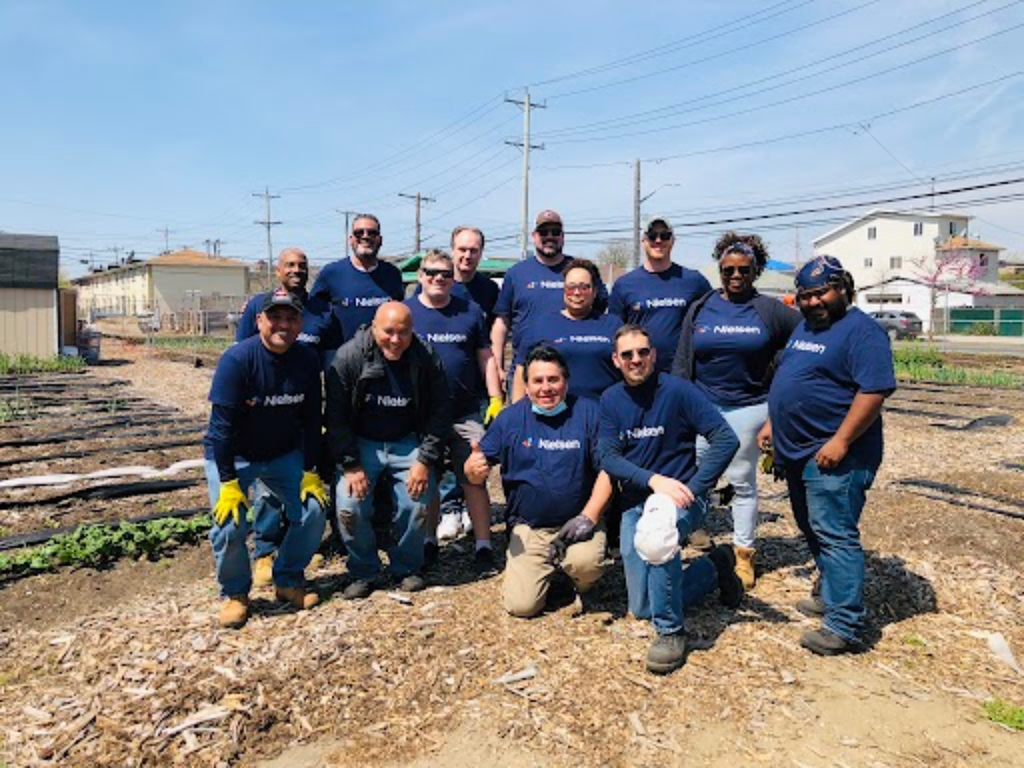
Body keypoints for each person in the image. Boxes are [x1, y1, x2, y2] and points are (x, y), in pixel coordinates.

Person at [757, 255, 896, 656]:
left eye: (822, 293)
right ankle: (830, 593)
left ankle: (844, 624)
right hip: (797, 452)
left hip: (837, 456)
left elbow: (873, 391)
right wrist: (772, 422)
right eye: (806, 295)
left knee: (835, 533)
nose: (814, 301)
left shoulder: (862, 332)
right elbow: (791, 378)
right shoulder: (805, 328)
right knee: (812, 526)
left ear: (843, 289)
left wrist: (841, 440)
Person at [599, 324, 743, 675]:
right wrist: (653, 480)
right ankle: (715, 566)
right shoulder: (611, 399)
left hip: (683, 500)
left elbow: (725, 439)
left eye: (643, 352)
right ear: (616, 360)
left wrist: (693, 488)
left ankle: (671, 632)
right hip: (636, 502)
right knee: (641, 606)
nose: (637, 360)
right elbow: (607, 457)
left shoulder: (679, 391)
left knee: (659, 536)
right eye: (628, 355)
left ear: (654, 354)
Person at [672, 233, 801, 588]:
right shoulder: (701, 307)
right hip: (702, 407)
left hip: (749, 408)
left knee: (741, 482)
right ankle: (679, 542)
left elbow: (801, 349)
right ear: (720, 269)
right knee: (694, 480)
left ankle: (744, 555)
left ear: (756, 270)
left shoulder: (771, 311)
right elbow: (684, 360)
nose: (735, 275)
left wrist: (778, 413)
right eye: (728, 269)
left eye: (744, 269)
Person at [203, 288, 328, 629]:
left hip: (283, 454)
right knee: (230, 523)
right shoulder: (238, 360)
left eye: (291, 318)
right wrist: (228, 481)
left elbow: (312, 420)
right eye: (275, 317)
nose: (282, 325)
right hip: (235, 456)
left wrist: (309, 471)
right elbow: (221, 430)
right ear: (259, 320)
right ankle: (235, 593)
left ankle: (287, 579)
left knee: (313, 509)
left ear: (300, 323)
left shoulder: (306, 360)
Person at [465, 344, 611, 618]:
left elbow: (608, 470)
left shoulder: (589, 412)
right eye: (538, 381)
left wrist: (588, 517)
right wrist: (473, 469)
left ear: (566, 381)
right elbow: (475, 471)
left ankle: (576, 578)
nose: (546, 388)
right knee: (522, 607)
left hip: (578, 523)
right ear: (527, 385)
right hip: (530, 526)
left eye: (553, 379)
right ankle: (548, 573)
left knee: (586, 565)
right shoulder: (510, 419)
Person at [326, 302, 452, 598]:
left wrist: (425, 460)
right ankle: (363, 569)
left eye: (403, 333)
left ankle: (407, 567)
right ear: (373, 327)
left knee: (416, 501)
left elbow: (440, 412)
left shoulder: (426, 358)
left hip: (408, 440)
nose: (396, 340)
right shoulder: (349, 357)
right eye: (389, 332)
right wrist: (350, 464)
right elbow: (335, 417)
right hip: (362, 441)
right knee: (349, 504)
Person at [234, 247, 343, 587]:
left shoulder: (322, 310)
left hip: (303, 405)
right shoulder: (259, 304)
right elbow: (242, 355)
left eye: (302, 266)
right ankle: (265, 551)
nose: (297, 270)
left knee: (303, 476)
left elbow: (331, 363)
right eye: (290, 265)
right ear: (278, 270)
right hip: (265, 408)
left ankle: (299, 547)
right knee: (267, 484)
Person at [405, 249, 503, 574]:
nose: (438, 279)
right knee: (428, 480)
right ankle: (429, 542)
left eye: (445, 274)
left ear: (452, 279)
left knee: (475, 476)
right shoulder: (407, 312)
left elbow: (485, 356)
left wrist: (495, 397)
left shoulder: (469, 311)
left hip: (465, 411)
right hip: (421, 414)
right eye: (431, 273)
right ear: (420, 276)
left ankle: (483, 545)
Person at [491, 210, 607, 399]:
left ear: (563, 236)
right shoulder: (516, 274)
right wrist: (498, 366)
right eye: (544, 232)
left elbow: (598, 314)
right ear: (534, 236)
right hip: (526, 369)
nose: (549, 237)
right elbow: (501, 323)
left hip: (572, 368)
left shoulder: (580, 271)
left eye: (555, 232)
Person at [609, 217, 711, 374]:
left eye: (664, 236)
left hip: (683, 374)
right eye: (652, 236)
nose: (658, 240)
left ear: (673, 241)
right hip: (638, 373)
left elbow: (711, 319)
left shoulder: (694, 281)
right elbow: (616, 334)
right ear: (643, 241)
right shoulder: (624, 285)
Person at [513, 258, 620, 402]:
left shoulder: (613, 325)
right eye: (571, 287)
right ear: (564, 290)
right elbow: (521, 369)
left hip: (603, 412)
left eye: (584, 287)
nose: (577, 293)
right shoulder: (542, 325)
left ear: (594, 291)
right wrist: (518, 413)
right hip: (555, 414)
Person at [309, 213, 405, 348]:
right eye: (359, 232)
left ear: (380, 240)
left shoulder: (392, 274)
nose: (365, 236)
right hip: (341, 360)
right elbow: (313, 316)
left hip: (383, 359)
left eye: (372, 233)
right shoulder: (331, 274)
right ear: (351, 239)